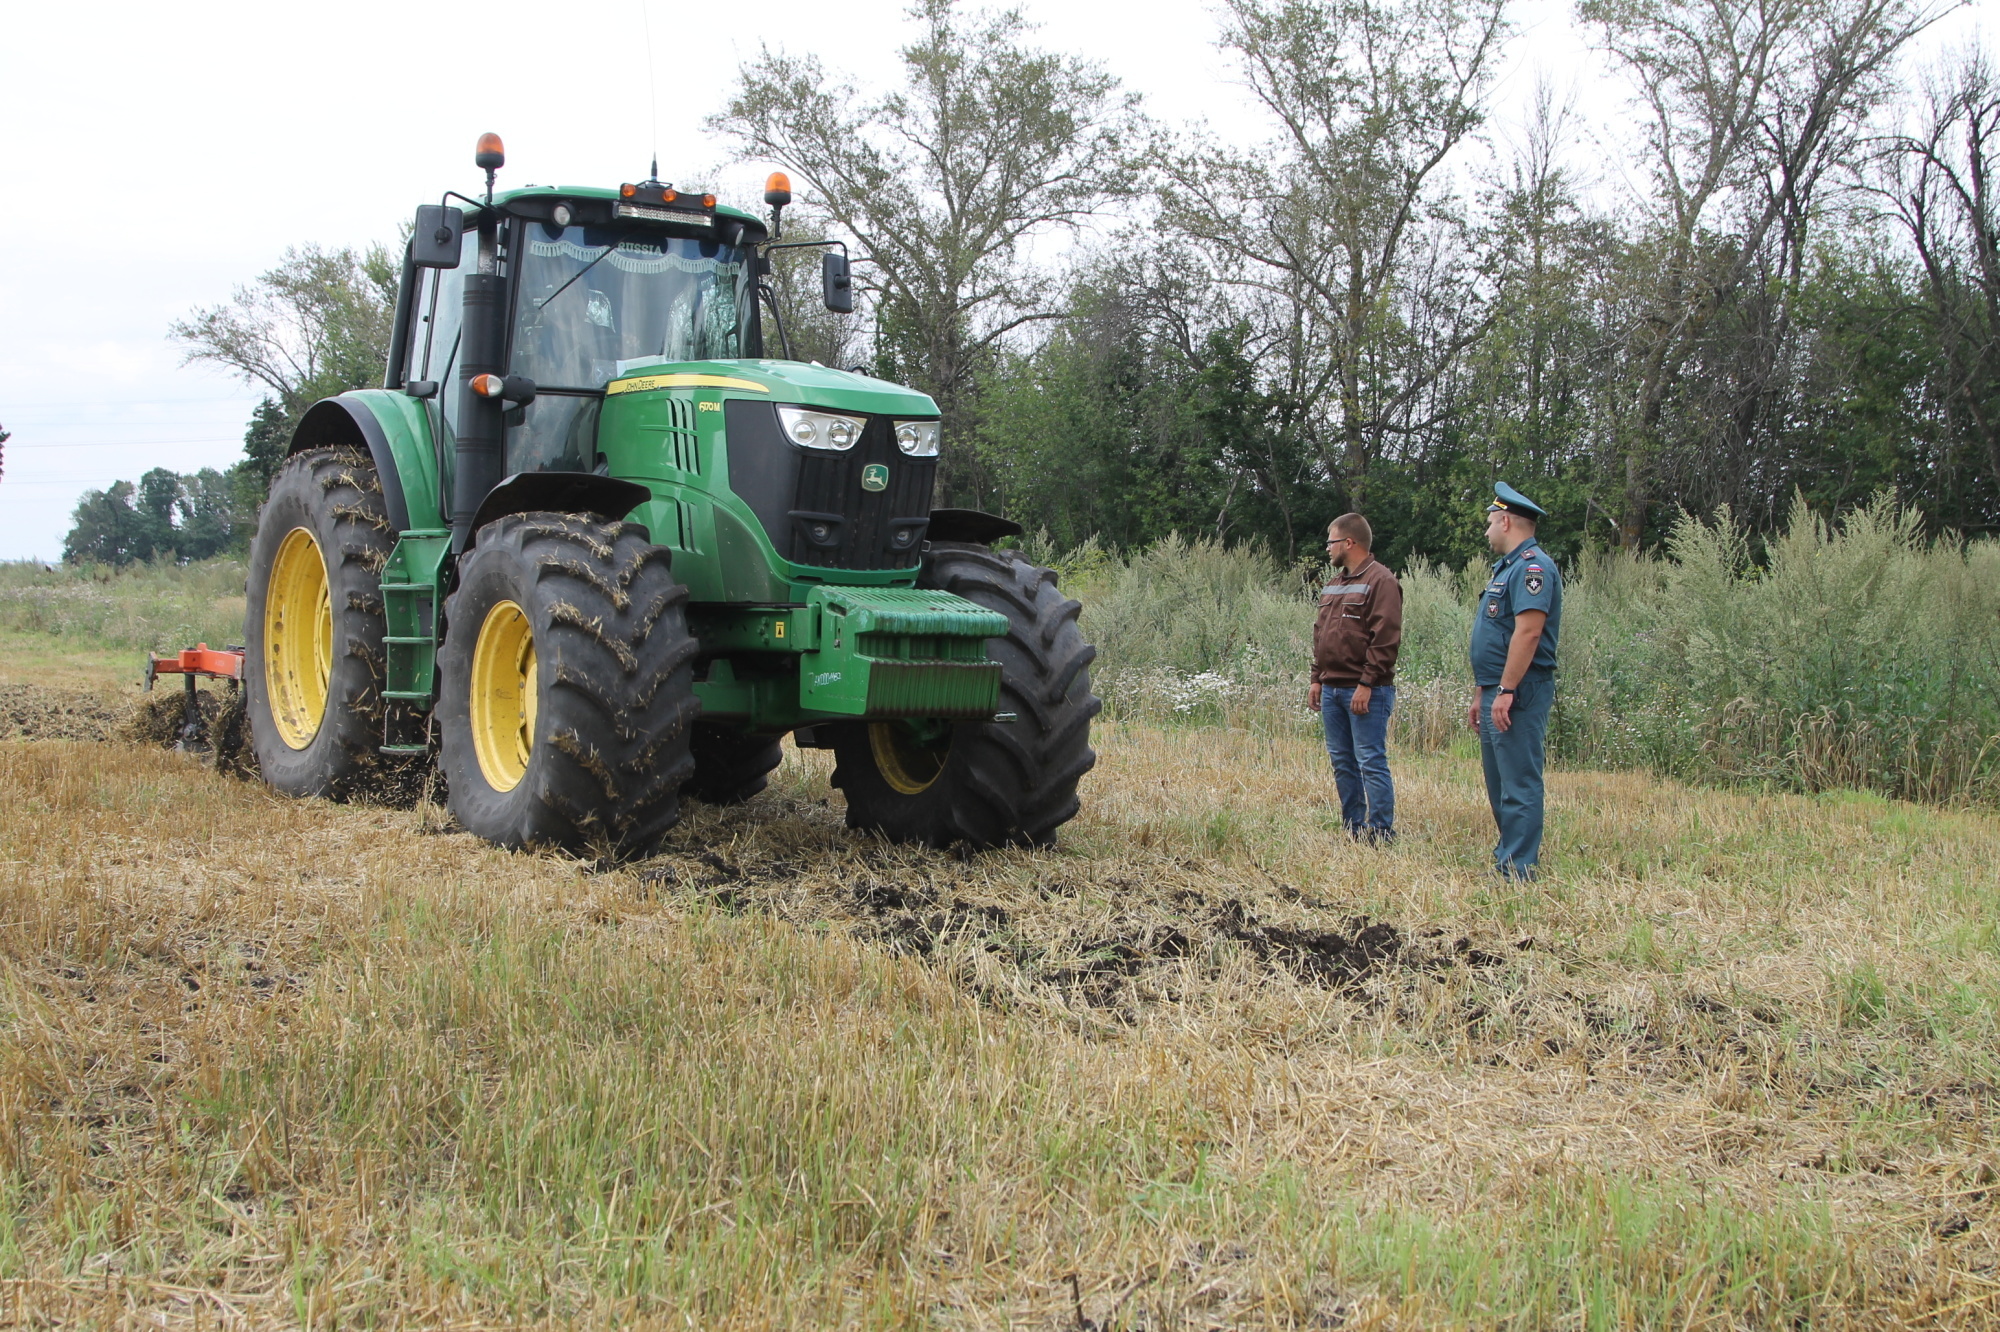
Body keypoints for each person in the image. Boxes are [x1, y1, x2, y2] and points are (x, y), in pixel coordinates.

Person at [1467, 482, 1563, 879]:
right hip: (1495, 688)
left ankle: (1520, 867)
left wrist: (1506, 690)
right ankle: (1508, 853)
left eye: (1490, 523)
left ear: (1506, 520)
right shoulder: (1508, 569)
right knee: (1499, 779)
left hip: (1520, 690)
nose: (1487, 531)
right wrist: (1482, 691)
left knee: (1519, 778)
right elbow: (1494, 634)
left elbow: (1528, 633)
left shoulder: (1533, 568)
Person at [1309, 513, 1403, 842]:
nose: (1328, 549)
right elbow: (1321, 634)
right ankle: (1353, 827)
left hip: (1366, 692)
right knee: (1342, 761)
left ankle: (1380, 831)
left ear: (1349, 543)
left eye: (1331, 542)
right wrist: (1316, 677)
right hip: (1332, 689)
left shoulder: (1381, 581)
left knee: (1370, 760)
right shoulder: (1334, 584)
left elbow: (1385, 639)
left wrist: (1366, 684)